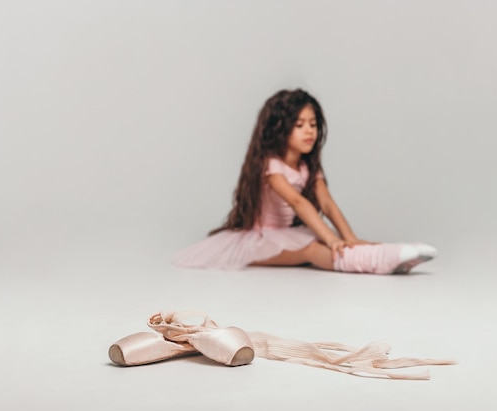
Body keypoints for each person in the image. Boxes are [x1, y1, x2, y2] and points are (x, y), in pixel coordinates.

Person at [173, 89, 437, 274]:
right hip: (260, 241)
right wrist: (332, 241)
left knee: (331, 242)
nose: (309, 131)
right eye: (299, 125)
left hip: (288, 236)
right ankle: (375, 261)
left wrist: (350, 237)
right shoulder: (270, 165)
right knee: (312, 250)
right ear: (279, 129)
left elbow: (327, 203)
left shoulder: (307, 167)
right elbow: (298, 202)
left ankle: (390, 255)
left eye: (313, 124)